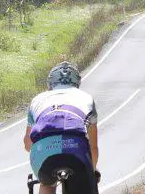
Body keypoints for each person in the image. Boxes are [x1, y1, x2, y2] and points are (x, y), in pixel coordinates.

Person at [25, 61, 100, 194]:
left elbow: (28, 144)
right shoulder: (86, 98)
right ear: (77, 83)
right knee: (82, 185)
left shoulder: (37, 99)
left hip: (43, 152)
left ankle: (47, 183)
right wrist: (91, 172)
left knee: (47, 183)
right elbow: (93, 147)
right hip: (76, 149)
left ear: (50, 84)